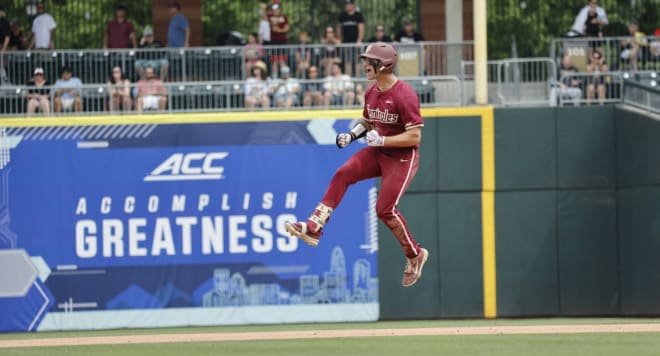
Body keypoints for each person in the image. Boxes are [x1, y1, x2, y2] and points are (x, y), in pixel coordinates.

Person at [285, 42, 429, 287]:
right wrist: (351, 135)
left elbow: (415, 136)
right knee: (343, 173)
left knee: (384, 210)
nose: (365, 65)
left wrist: (383, 138)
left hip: (402, 157)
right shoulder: (372, 91)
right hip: (379, 150)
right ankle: (314, 226)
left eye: (370, 60)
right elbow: (368, 120)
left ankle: (415, 254)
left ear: (384, 64)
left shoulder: (405, 95)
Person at [337, 0, 365, 76]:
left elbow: (361, 28)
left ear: (353, 5)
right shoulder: (343, 15)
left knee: (357, 61)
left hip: (356, 43)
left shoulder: (358, 15)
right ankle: (349, 79)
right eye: (346, 4)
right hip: (346, 42)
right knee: (347, 61)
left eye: (349, 4)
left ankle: (358, 78)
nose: (347, 6)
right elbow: (339, 28)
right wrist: (339, 39)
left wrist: (359, 40)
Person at [267, 0, 289, 77]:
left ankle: (285, 76)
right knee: (274, 61)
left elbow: (287, 28)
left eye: (277, 8)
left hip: (282, 41)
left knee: (282, 60)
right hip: (274, 42)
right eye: (274, 8)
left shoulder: (284, 17)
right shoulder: (270, 16)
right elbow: (273, 28)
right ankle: (275, 77)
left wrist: (279, 30)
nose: (276, 10)